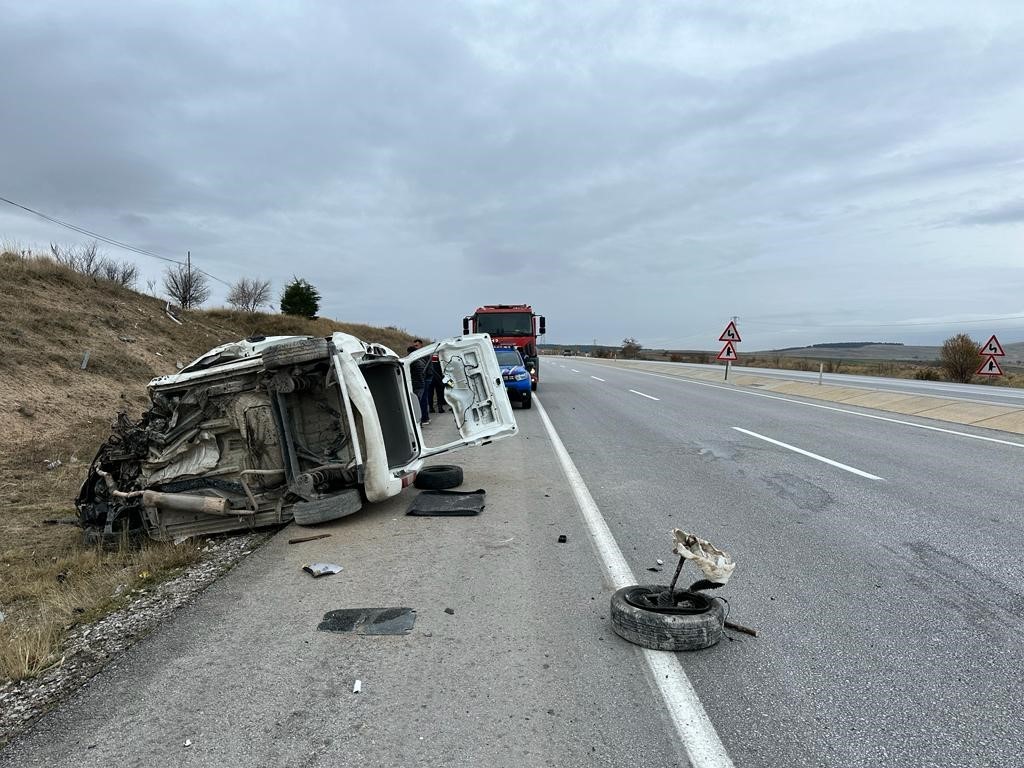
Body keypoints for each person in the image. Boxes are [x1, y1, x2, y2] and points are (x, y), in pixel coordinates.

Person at [407, 343, 430, 425]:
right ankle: (420, 421)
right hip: (421, 384)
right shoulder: (421, 361)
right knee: (419, 403)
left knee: (416, 404)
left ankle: (418, 422)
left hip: (416, 385)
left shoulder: (413, 362)